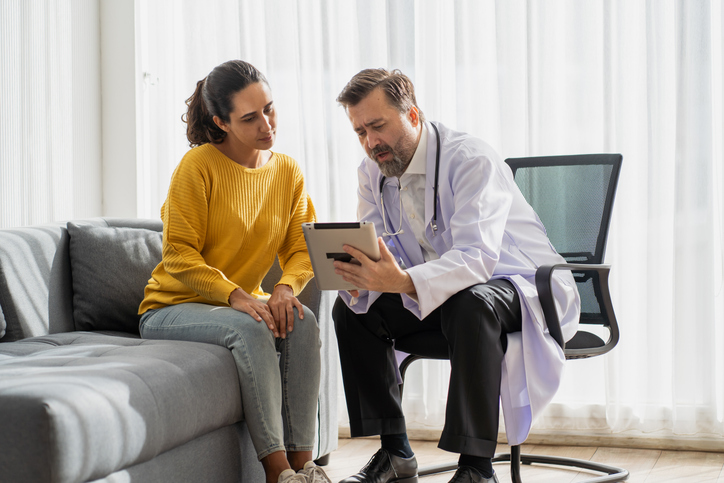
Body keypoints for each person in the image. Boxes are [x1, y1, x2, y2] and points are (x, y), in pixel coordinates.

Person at [331, 69, 581, 483]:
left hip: (523, 286)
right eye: (360, 132)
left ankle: (476, 469)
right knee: (352, 310)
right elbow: (383, 251)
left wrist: (402, 281)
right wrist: (363, 276)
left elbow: (477, 259)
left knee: (471, 302)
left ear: (412, 115)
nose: (371, 142)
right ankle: (395, 453)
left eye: (378, 126)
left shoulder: (470, 159)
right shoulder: (372, 171)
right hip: (448, 299)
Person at [138, 60, 331, 483]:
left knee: (302, 319)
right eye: (250, 117)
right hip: (173, 307)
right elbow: (179, 255)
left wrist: (283, 288)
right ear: (220, 122)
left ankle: (305, 469)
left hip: (236, 304)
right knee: (250, 329)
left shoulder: (286, 171)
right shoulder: (198, 167)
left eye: (270, 108)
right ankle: (277, 473)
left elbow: (301, 248)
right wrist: (238, 296)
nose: (267, 124)